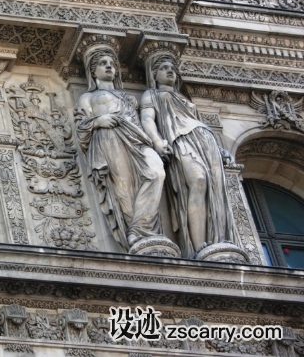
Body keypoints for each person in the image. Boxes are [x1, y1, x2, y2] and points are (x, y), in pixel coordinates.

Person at [140, 54, 236, 259]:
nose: (170, 71)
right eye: (164, 68)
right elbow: (147, 119)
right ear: (154, 74)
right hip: (179, 140)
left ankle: (215, 241)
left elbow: (200, 123)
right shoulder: (151, 94)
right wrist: (157, 141)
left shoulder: (184, 99)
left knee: (214, 190)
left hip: (205, 140)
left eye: (172, 68)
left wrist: (221, 149)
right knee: (198, 181)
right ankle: (199, 244)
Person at [75, 47, 166, 252]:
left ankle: (141, 227)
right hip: (110, 137)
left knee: (156, 172)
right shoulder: (88, 97)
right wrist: (99, 121)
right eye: (103, 63)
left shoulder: (127, 96)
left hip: (137, 139)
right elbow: (81, 127)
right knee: (124, 189)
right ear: (92, 71)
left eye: (112, 64)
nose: (109, 66)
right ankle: (136, 236)